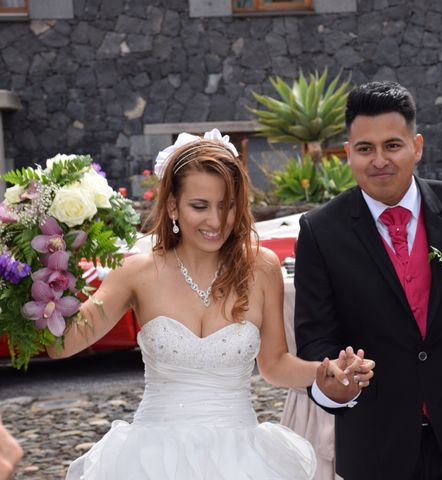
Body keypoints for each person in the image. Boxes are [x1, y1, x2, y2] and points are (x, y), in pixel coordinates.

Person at [47, 129, 374, 480]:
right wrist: (35, 274)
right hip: (150, 460)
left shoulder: (262, 267)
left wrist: (324, 373)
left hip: (243, 459)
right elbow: (62, 345)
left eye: (227, 205)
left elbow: (275, 365)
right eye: (200, 206)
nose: (216, 222)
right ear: (172, 205)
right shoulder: (137, 272)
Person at [294, 82, 442, 480]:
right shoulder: (321, 231)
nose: (379, 161)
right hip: (377, 449)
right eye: (364, 148)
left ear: (416, 146)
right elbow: (315, 337)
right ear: (348, 153)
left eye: (392, 145)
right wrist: (338, 380)